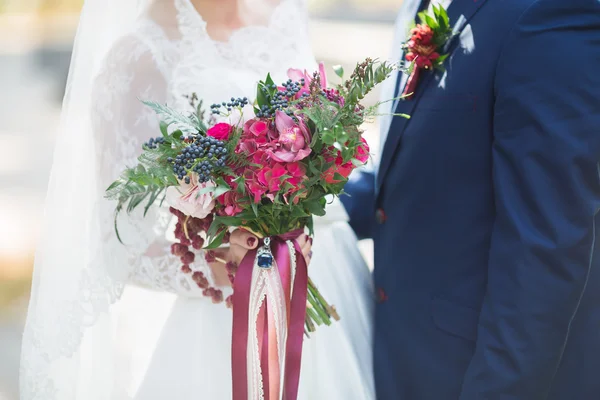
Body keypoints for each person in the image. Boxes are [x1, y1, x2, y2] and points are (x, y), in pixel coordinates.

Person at [19, 0, 375, 399]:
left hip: (330, 270)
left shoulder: (285, 10)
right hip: (228, 315)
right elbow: (117, 244)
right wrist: (222, 264)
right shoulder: (138, 57)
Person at [342, 0, 600, 398]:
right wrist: (302, 200)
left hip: (474, 371)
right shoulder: (425, 5)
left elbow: (544, 244)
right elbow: (428, 166)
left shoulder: (547, 12)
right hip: (404, 354)